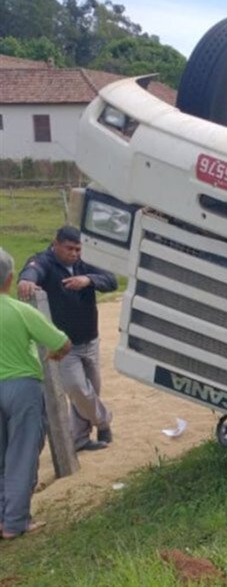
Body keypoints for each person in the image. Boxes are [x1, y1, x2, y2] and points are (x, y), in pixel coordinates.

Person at [18, 226, 117, 452]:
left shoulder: (85, 262)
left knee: (90, 390)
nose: (74, 254)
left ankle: (81, 440)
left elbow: (111, 280)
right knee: (77, 389)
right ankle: (103, 421)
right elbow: (32, 271)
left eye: (78, 249)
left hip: (91, 339)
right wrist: (26, 281)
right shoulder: (44, 261)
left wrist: (88, 280)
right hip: (64, 344)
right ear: (56, 244)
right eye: (69, 248)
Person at [1, 246, 71, 539]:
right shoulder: (20, 310)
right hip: (22, 387)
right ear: (10, 277)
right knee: (22, 454)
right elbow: (62, 343)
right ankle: (15, 522)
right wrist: (53, 355)